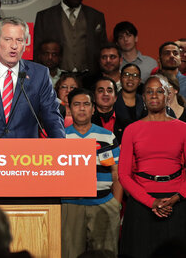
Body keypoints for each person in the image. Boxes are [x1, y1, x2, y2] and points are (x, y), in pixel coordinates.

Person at [118, 74, 186, 258]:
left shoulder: (184, 128)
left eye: (159, 91)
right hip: (142, 205)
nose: (154, 95)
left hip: (177, 204)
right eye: (149, 92)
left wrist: (176, 197)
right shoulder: (132, 130)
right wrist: (151, 202)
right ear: (144, 97)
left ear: (168, 95)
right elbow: (123, 175)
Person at [61, 88, 122, 258]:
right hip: (70, 206)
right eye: (77, 104)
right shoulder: (59, 137)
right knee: (69, 254)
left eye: (86, 104)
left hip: (103, 204)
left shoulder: (107, 137)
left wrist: (115, 205)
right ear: (69, 108)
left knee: (106, 254)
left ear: (93, 108)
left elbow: (117, 173)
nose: (82, 108)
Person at [34, 0, 107, 73]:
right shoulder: (45, 16)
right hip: (56, 75)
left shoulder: (95, 16)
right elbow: (37, 50)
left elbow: (103, 47)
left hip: (89, 76)